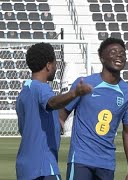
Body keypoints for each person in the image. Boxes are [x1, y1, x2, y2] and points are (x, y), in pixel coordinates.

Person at [59, 37, 128, 180]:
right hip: (80, 159)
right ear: (102, 58)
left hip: (106, 163)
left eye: (122, 53)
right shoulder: (84, 83)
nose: (119, 55)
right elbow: (61, 115)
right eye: (113, 52)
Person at [15, 43, 92, 180]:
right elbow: (51, 102)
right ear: (48, 65)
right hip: (43, 166)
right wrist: (75, 93)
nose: (56, 68)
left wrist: (56, 125)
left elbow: (25, 129)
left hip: (24, 167)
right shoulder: (41, 88)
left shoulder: (24, 93)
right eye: (55, 63)